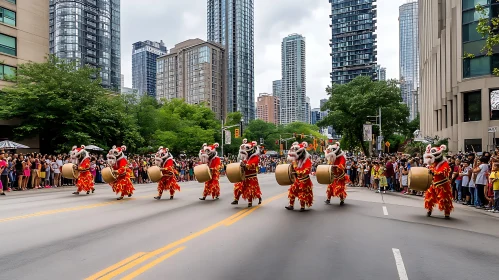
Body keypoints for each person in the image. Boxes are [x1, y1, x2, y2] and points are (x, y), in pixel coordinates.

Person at [423, 144, 453, 219]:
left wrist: (434, 172)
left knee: (445, 199)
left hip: (443, 184)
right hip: (433, 183)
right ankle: (429, 210)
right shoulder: (433, 163)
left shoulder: (445, 163)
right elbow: (430, 169)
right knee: (429, 198)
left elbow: (443, 171)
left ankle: (447, 212)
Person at [231, 139, 262, 207]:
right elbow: (243, 164)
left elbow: (252, 165)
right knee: (238, 187)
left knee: (251, 189)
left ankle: (252, 201)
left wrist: (246, 165)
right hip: (244, 176)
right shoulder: (246, 158)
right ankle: (236, 199)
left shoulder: (255, 157)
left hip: (251, 176)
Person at [285, 142, 313, 212]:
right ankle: (291, 205)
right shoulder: (297, 160)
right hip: (298, 179)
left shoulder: (307, 160)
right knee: (292, 191)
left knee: (302, 193)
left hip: (305, 180)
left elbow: (305, 171)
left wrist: (295, 167)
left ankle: (302, 207)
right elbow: (293, 169)